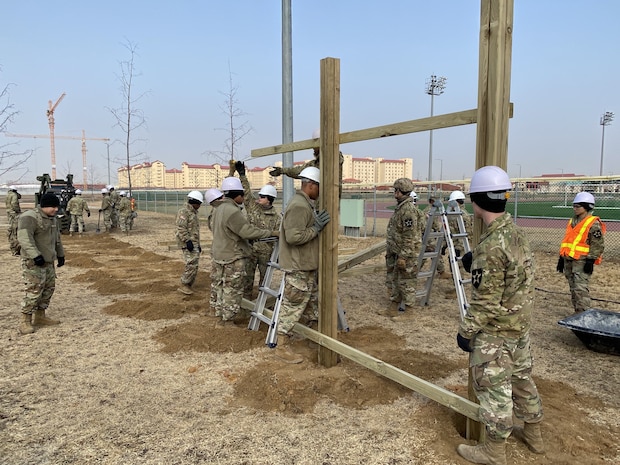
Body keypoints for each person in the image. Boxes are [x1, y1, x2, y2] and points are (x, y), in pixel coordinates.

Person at [456, 166, 544, 465]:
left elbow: (485, 303)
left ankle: (493, 452)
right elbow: (511, 275)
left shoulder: (492, 245)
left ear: (477, 201)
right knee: (522, 380)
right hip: (519, 328)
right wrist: (476, 259)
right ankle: (533, 433)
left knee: (494, 391)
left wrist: (465, 332)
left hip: (497, 333)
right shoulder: (515, 233)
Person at [276, 166, 330, 363]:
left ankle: (313, 339)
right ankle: (282, 346)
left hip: (305, 266)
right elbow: (293, 236)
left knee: (312, 306)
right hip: (298, 267)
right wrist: (316, 228)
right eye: (319, 187)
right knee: (292, 307)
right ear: (312, 185)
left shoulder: (305, 204)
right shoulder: (299, 206)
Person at [211, 177, 277, 324]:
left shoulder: (218, 208)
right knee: (232, 290)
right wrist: (269, 233)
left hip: (220, 254)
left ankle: (219, 316)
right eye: (242, 194)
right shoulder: (232, 211)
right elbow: (246, 232)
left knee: (221, 287)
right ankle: (227, 321)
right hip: (232, 256)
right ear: (238, 194)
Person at [16, 192, 66, 334]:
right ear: (44, 206)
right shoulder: (29, 217)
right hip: (34, 262)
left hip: (48, 261)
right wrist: (35, 256)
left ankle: (40, 316)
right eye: (53, 207)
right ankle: (25, 320)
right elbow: (25, 238)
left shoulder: (53, 219)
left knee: (48, 289)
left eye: (57, 207)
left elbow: (57, 239)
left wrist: (60, 255)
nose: (56, 209)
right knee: (34, 290)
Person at [235, 161, 282, 299]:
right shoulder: (253, 208)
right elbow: (247, 193)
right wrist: (242, 175)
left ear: (269, 200)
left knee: (264, 281)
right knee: (247, 280)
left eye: (262, 196)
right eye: (260, 195)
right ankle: (245, 305)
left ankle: (261, 303)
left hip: (265, 254)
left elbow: (277, 237)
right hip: (250, 250)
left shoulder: (276, 218)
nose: (259, 198)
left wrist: (277, 255)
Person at [557, 191, 605, 313]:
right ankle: (577, 312)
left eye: (578, 206)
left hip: (582, 261)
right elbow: (568, 240)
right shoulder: (572, 221)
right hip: (569, 259)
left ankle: (584, 313)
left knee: (580, 289)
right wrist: (561, 258)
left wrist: (590, 260)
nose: (575, 209)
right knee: (573, 288)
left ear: (587, 207)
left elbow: (597, 244)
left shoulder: (593, 223)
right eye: (574, 206)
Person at [384, 178, 422, 316]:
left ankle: (409, 312)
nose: (394, 193)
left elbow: (409, 236)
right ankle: (393, 307)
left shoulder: (408, 211)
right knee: (397, 280)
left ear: (400, 192)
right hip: (398, 252)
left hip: (407, 254)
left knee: (407, 282)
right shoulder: (402, 208)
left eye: (396, 190)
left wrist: (403, 256)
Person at [269, 129, 344, 197]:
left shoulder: (333, 159)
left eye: (314, 145)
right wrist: (282, 170)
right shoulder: (317, 163)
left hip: (329, 206)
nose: (313, 148)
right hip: (320, 206)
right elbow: (299, 171)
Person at [175, 190, 204, 295]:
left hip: (194, 242)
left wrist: (198, 245)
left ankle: (189, 285)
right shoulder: (184, 212)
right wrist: (187, 241)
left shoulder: (193, 213)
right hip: (187, 242)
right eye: (199, 203)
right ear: (194, 202)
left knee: (195, 264)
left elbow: (194, 230)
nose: (200, 206)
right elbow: (181, 228)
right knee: (191, 263)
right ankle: (184, 284)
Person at [204, 188, 224, 315]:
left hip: (217, 248)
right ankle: (217, 307)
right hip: (222, 249)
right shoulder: (219, 212)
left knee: (217, 280)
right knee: (220, 280)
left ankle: (213, 306)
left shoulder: (214, 212)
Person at [446, 190, 474, 273]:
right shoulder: (453, 214)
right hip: (454, 244)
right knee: (452, 263)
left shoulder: (463, 216)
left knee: (459, 265)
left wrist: (459, 248)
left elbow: (466, 234)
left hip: (461, 246)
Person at [6, 185, 22, 255]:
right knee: (15, 229)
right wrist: (18, 211)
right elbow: (14, 203)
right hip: (14, 213)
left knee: (11, 227)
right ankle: (15, 249)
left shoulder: (8, 195)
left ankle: (14, 248)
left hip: (9, 212)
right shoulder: (14, 195)